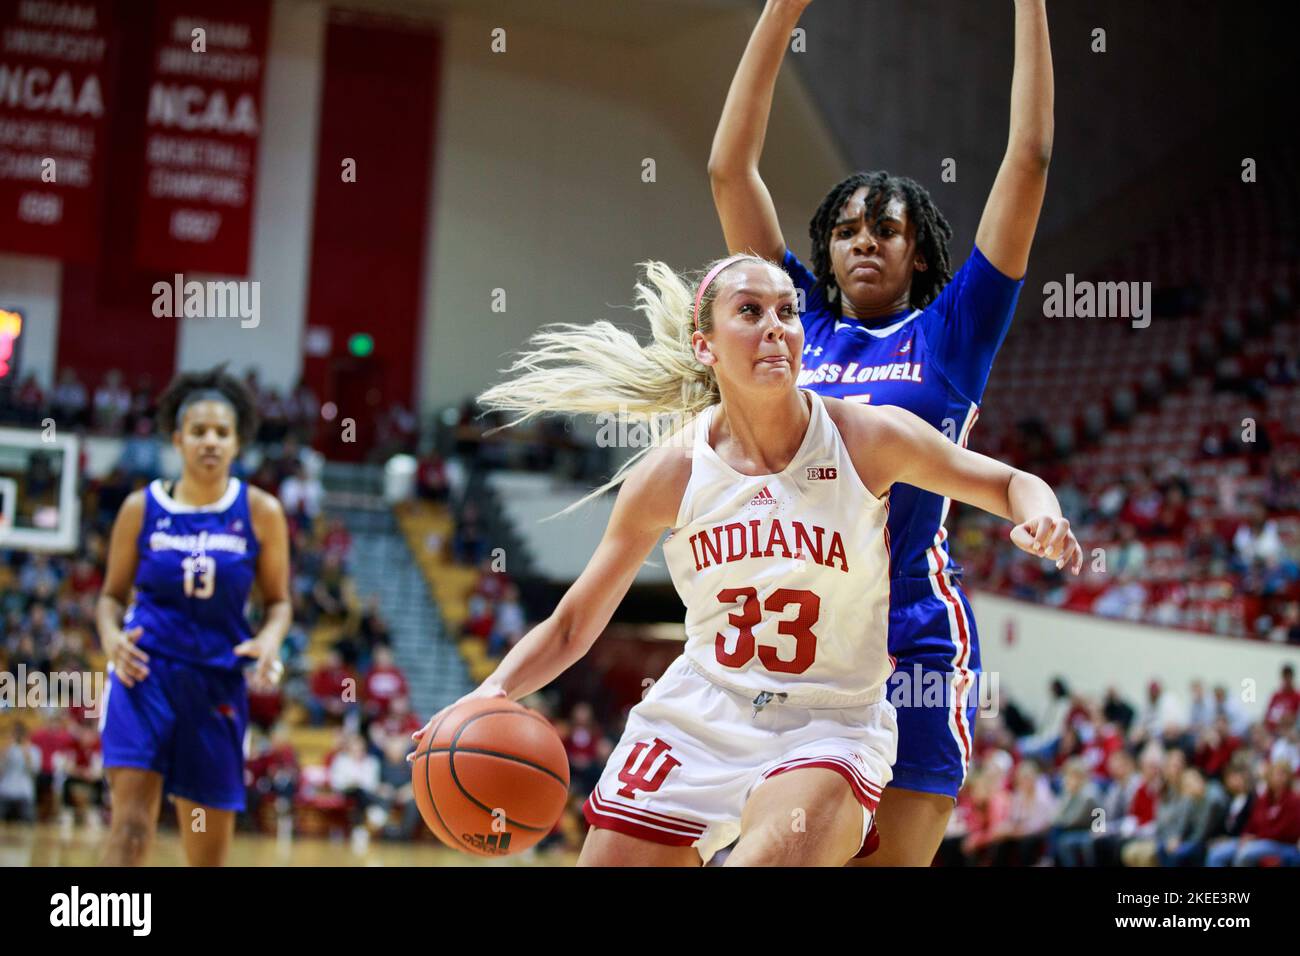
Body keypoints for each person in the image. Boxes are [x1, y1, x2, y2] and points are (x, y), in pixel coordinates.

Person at [410, 254, 1080, 866]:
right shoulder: (670, 473)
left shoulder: (863, 437)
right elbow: (570, 626)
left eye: (787, 312)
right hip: (703, 712)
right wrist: (491, 691)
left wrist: (1041, 512)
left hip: (830, 719)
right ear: (705, 346)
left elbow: (1007, 483)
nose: (775, 327)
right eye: (750, 312)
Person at [707, 0, 1055, 864]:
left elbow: (1031, 156)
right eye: (847, 229)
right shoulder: (794, 328)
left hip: (914, 636)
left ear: (919, 255)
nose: (864, 240)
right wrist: (782, 10)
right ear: (823, 250)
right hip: (800, 636)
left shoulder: (954, 329)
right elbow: (727, 169)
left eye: (886, 229)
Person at [96, 366, 292, 866]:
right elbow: (110, 597)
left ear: (237, 443)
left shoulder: (261, 511)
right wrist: (110, 637)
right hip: (145, 676)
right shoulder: (141, 508)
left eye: (222, 433)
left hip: (216, 686)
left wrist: (270, 641)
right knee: (131, 828)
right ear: (178, 438)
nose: (210, 441)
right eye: (199, 431)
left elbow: (279, 602)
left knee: (205, 856)